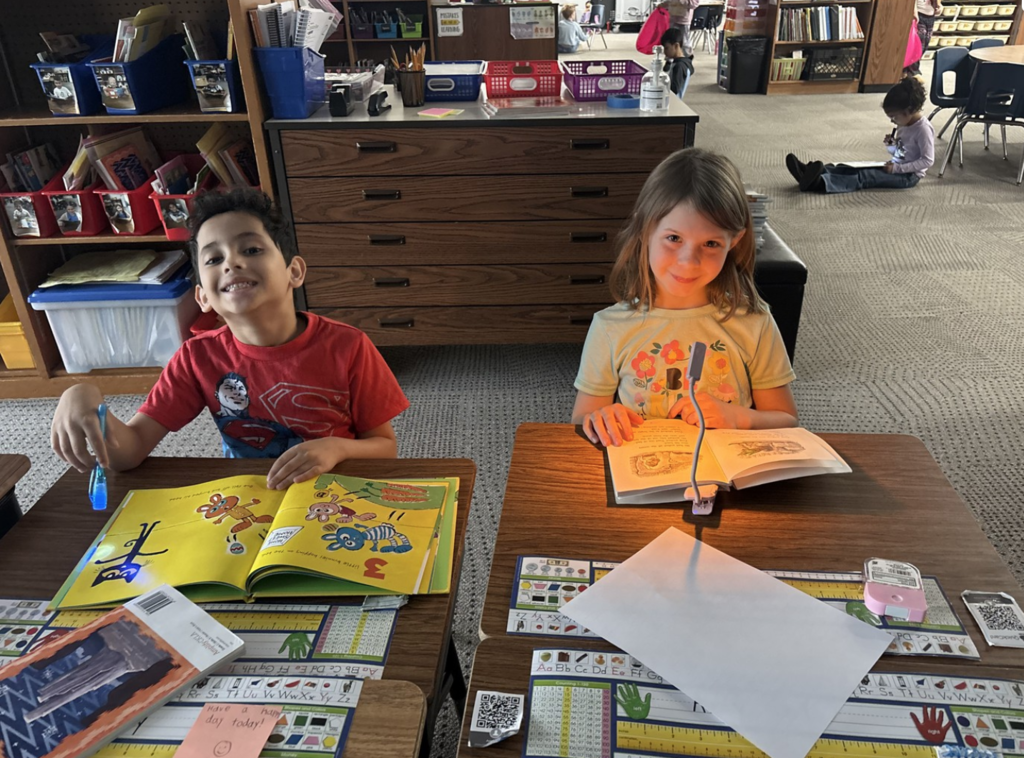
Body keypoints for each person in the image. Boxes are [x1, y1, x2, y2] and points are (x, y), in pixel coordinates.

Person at [51, 188, 410, 489]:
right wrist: (82, 396)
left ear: (294, 271)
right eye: (213, 258)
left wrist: (336, 448)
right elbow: (129, 452)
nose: (231, 263)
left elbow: (385, 448)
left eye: (251, 250)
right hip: (250, 498)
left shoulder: (348, 346)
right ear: (202, 297)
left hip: (336, 490)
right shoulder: (197, 358)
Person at [572, 148, 798, 447]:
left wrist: (739, 417)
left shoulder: (754, 322)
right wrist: (599, 418)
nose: (688, 261)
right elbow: (582, 419)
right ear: (645, 230)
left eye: (711, 243)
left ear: (734, 241)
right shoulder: (609, 328)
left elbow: (787, 420)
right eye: (674, 238)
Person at [785, 77, 933, 194]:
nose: (892, 121)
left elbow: (927, 161)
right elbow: (902, 153)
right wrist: (892, 145)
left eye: (894, 117)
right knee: (853, 168)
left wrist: (897, 169)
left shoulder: (923, 130)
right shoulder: (904, 123)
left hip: (909, 176)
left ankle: (820, 183)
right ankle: (812, 172)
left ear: (908, 110)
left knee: (866, 177)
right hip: (896, 166)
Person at [909, 0, 940, 77]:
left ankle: (913, 68)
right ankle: (913, 70)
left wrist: (939, 7)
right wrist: (914, 12)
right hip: (919, 14)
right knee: (919, 44)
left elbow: (938, 4)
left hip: (930, 16)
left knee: (925, 44)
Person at [660, 27, 695, 96]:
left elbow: (674, 89)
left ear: (676, 46)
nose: (664, 52)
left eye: (666, 48)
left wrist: (662, 83)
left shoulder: (679, 66)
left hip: (672, 100)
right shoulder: (685, 63)